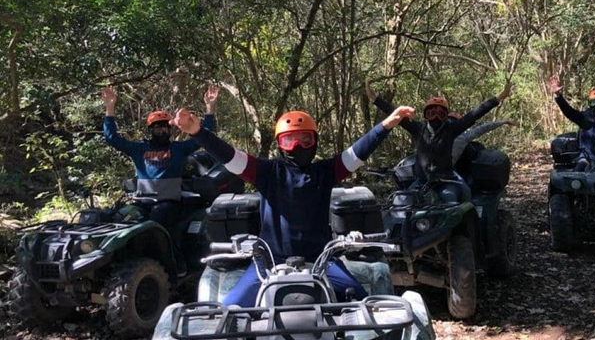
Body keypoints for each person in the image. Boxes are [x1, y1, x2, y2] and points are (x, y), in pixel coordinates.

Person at [172, 104, 414, 307]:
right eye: (290, 141)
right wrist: (198, 132)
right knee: (230, 309)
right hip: (269, 262)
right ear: (280, 144)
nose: (297, 147)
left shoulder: (326, 171)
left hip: (322, 260)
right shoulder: (267, 171)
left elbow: (357, 152)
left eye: (304, 139)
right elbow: (230, 156)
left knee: (360, 302)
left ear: (314, 141)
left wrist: (386, 125)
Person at [102, 85, 219, 274]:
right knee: (119, 218)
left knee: (159, 225)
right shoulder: (139, 149)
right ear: (151, 130)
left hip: (168, 204)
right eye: (157, 127)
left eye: (165, 127)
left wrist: (210, 109)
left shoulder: (178, 149)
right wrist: (110, 108)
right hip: (141, 202)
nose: (162, 130)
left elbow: (204, 136)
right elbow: (112, 138)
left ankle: (175, 266)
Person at [365, 81, 513, 202]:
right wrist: (375, 99)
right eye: (431, 113)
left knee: (455, 202)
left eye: (441, 114)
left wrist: (499, 98)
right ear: (425, 115)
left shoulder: (452, 129)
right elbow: (396, 115)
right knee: (401, 202)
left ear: (446, 116)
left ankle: (462, 237)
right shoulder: (418, 128)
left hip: (447, 181)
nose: (436, 118)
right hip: (421, 181)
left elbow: (475, 114)